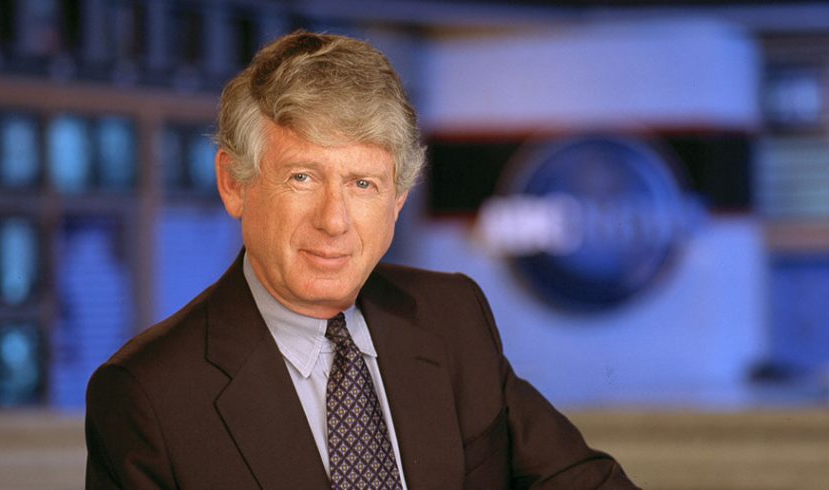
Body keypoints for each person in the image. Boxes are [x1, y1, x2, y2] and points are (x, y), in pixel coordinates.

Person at [84, 30, 639, 490]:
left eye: (363, 184)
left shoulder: (451, 318)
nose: (334, 220)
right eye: (302, 177)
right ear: (234, 183)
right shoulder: (147, 395)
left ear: (397, 200)